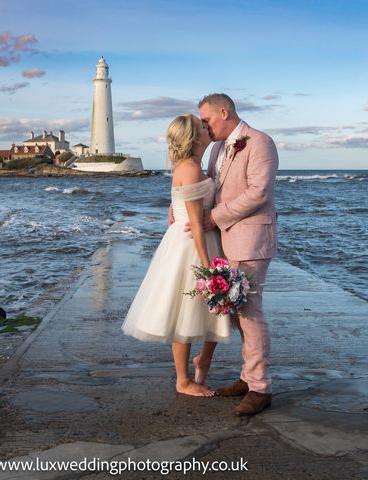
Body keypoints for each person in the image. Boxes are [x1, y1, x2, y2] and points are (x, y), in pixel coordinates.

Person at [122, 113, 231, 397]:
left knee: (214, 311)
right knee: (188, 312)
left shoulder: (195, 165)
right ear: (195, 138)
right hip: (191, 245)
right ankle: (183, 380)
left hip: (202, 238)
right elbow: (194, 222)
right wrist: (209, 269)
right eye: (202, 126)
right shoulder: (191, 169)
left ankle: (202, 362)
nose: (208, 128)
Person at [193, 93, 279, 416]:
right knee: (235, 311)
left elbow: (258, 193)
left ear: (224, 112)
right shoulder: (217, 147)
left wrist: (213, 218)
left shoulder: (259, 142)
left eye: (207, 120)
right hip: (227, 240)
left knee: (250, 312)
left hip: (252, 239)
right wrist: (182, 209)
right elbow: (210, 186)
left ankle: (260, 388)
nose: (205, 127)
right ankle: (248, 377)